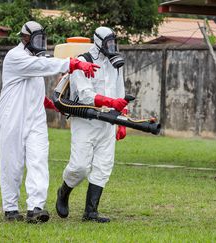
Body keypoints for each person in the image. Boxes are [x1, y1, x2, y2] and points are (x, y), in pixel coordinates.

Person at [0, 21, 100, 223]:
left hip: (35, 119)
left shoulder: (36, 59)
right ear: (25, 38)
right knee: (12, 163)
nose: (41, 43)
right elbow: (42, 66)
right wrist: (73, 63)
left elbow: (33, 89)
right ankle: (10, 208)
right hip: (12, 118)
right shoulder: (15, 56)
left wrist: (53, 104)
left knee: (39, 161)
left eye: (43, 39)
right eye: (37, 39)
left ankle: (35, 208)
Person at [55, 26, 128, 223]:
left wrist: (122, 121)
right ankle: (63, 192)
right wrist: (110, 102)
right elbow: (86, 94)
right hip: (86, 120)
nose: (111, 47)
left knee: (103, 166)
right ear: (97, 42)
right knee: (79, 166)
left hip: (108, 122)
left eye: (113, 43)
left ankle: (91, 212)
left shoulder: (116, 64)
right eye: (107, 43)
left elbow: (120, 93)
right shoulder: (83, 61)